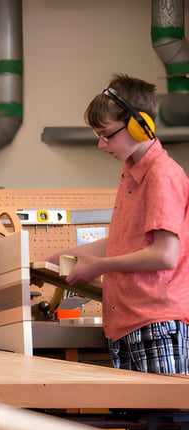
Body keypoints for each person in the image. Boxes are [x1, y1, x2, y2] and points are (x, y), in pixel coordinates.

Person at [44, 74, 189, 375]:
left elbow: (165, 255)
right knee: (136, 421)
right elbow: (124, 242)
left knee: (163, 421)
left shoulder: (162, 175)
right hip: (127, 322)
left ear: (140, 125)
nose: (100, 144)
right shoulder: (131, 173)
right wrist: (57, 260)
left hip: (156, 321)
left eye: (107, 134)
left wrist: (98, 266)